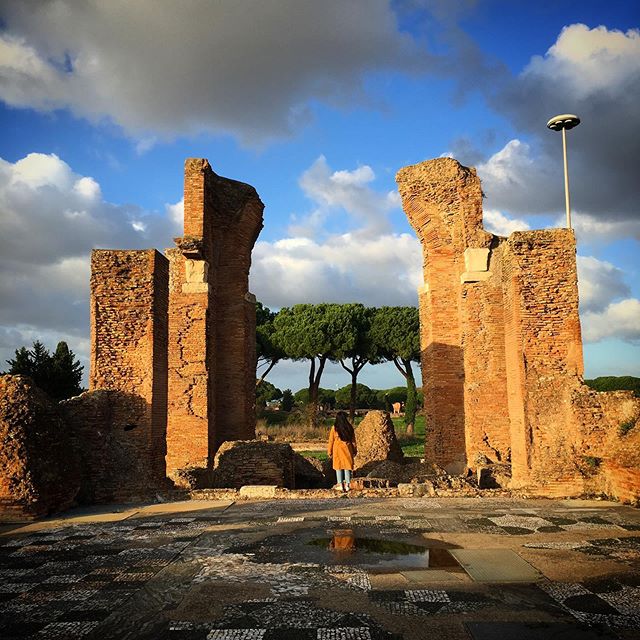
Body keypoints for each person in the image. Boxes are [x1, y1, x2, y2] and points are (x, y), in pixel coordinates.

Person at [327, 411, 358, 492]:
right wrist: (355, 450)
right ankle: (347, 485)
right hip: (348, 449)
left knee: (338, 467)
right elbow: (353, 441)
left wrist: (329, 451)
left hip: (337, 449)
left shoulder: (334, 428)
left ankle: (340, 484)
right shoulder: (349, 427)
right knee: (347, 467)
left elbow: (331, 440)